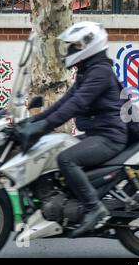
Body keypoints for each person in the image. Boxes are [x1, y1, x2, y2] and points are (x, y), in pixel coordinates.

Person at [20, 22, 128, 238]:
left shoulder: (100, 72)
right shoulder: (88, 71)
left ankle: (93, 208)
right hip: (96, 133)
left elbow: (76, 105)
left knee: (66, 159)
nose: (70, 51)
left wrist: (43, 126)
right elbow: (64, 102)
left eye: (75, 46)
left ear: (90, 45)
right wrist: (33, 122)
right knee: (52, 152)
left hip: (109, 136)